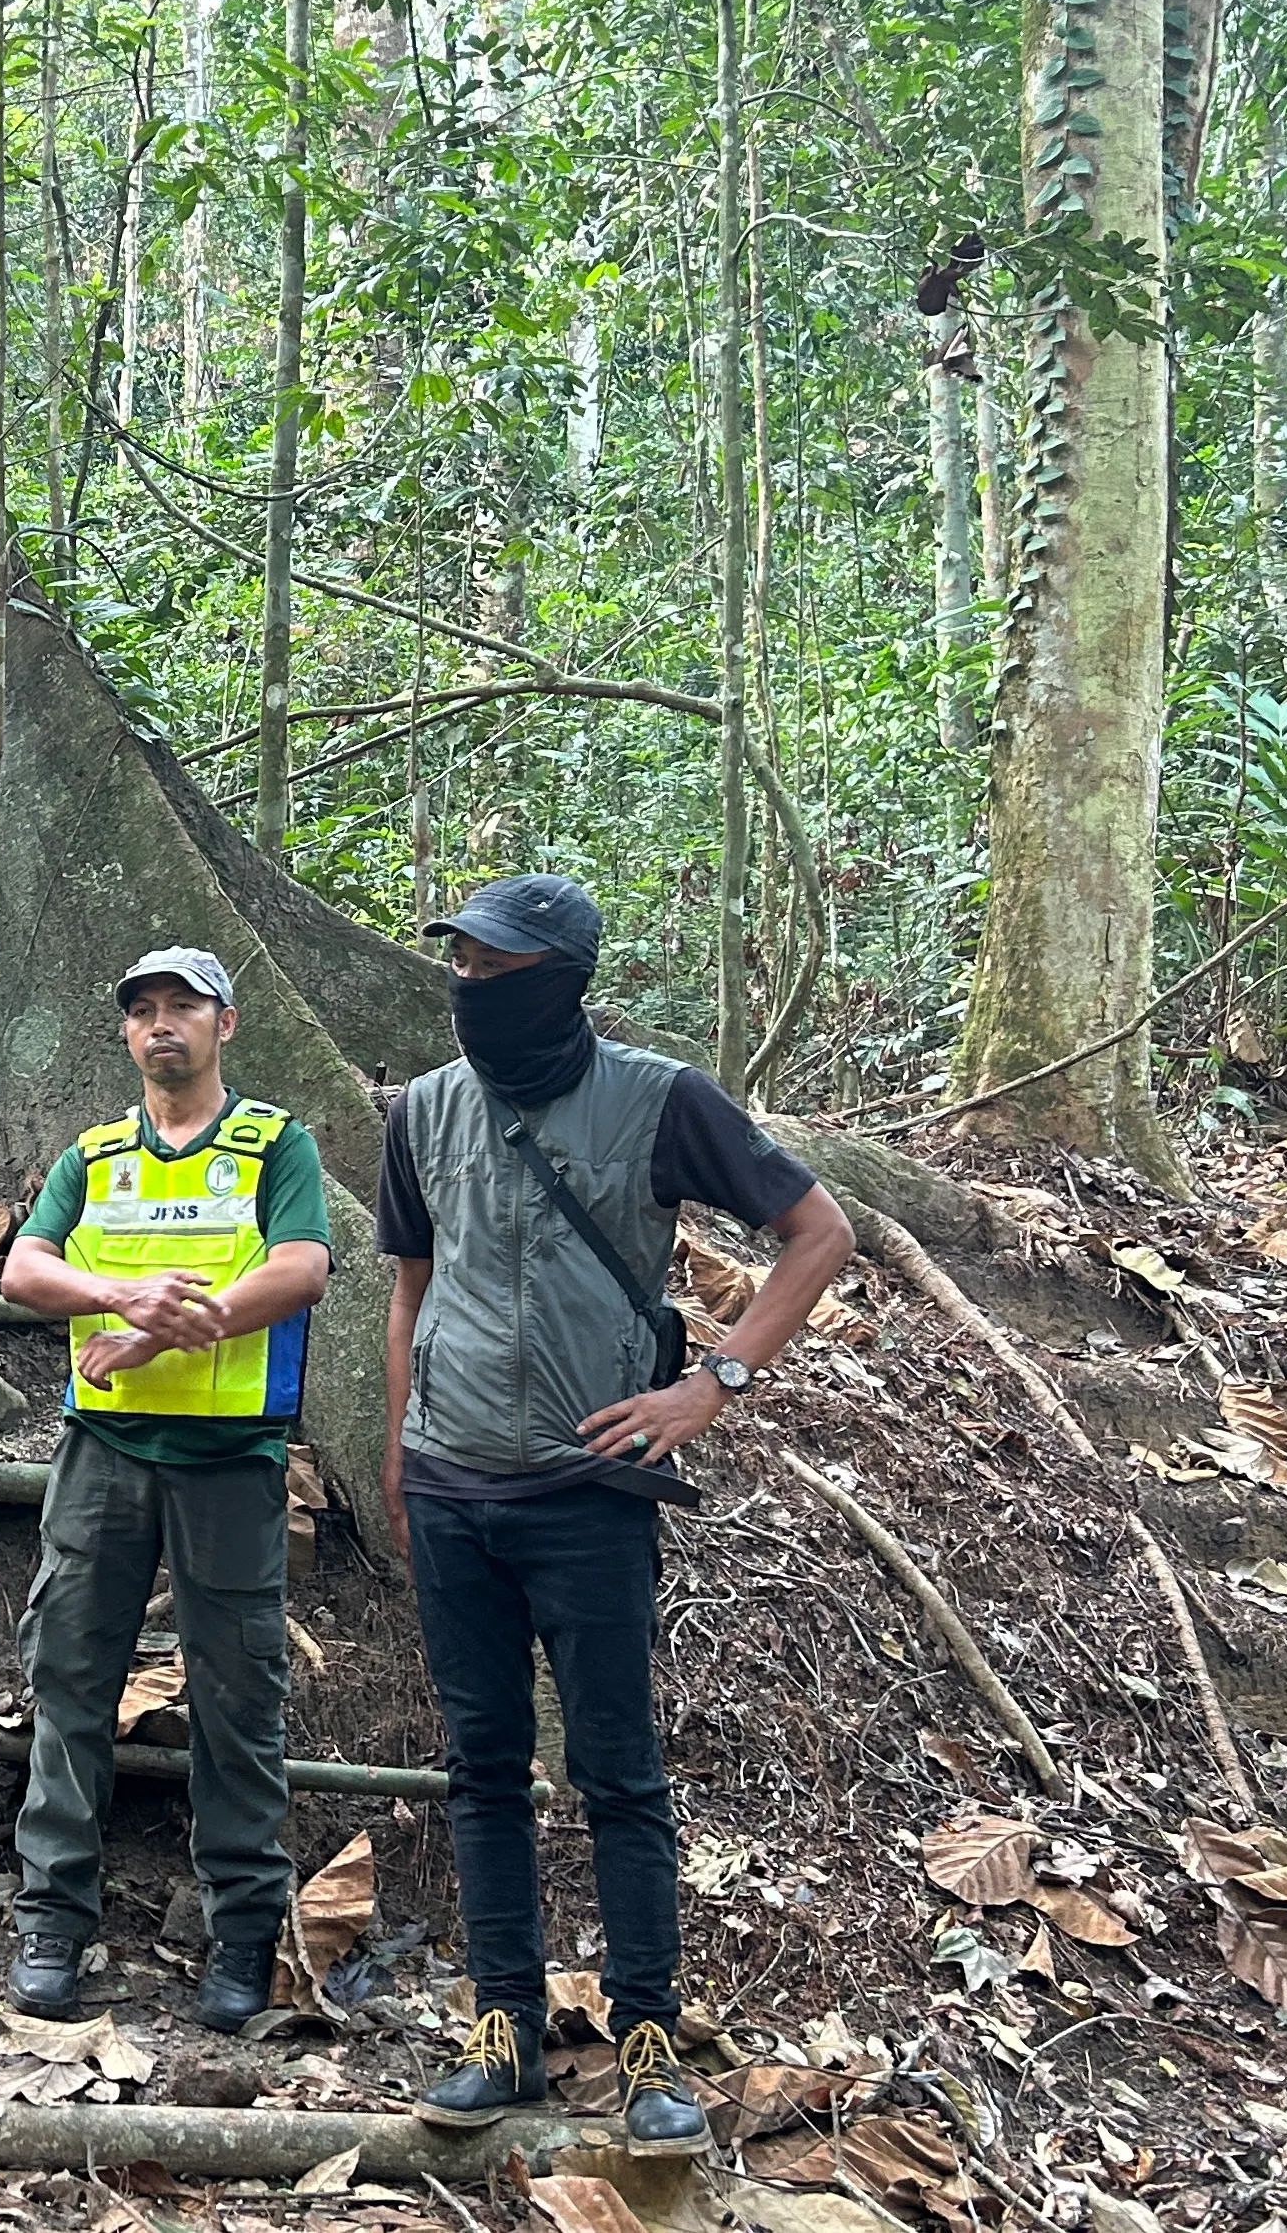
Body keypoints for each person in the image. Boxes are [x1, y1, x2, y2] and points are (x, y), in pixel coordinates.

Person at [378, 873, 855, 2156]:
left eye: (501, 969)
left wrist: (714, 1384)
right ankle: (505, 2029)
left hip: (587, 1491)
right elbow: (412, 1290)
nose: (474, 990)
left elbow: (819, 1231)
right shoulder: (423, 1109)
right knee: (482, 1768)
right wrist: (397, 1454)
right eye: (463, 967)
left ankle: (647, 2034)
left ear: (567, 978)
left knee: (617, 1770)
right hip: (454, 1481)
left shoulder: (660, 1098)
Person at [0, 945, 335, 2033]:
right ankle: (53, 1919)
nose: (159, 1026)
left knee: (238, 1695)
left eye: (181, 1006)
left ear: (225, 1023)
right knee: (71, 1676)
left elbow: (302, 1267)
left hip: (232, 1460)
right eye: (141, 1010)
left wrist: (168, 1329)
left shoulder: (276, 1145)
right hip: (102, 1458)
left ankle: (242, 1932)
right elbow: (24, 1269)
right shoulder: (93, 1157)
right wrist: (120, 1293)